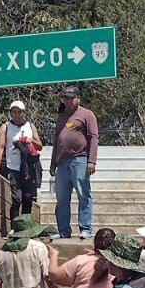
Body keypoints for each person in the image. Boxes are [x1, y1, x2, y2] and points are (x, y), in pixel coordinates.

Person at [51, 85, 98, 240]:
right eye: (65, 98)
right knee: (62, 198)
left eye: (71, 98)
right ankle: (64, 231)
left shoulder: (87, 114)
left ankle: (85, 228)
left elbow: (93, 138)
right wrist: (53, 163)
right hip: (62, 163)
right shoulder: (61, 116)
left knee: (83, 194)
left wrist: (91, 161)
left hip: (80, 159)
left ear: (78, 98)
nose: (68, 101)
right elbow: (57, 141)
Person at [0, 99, 42, 218]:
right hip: (13, 166)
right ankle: (14, 227)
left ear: (23, 113)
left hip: (29, 167)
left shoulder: (30, 126)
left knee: (28, 197)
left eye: (19, 112)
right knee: (16, 198)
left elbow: (40, 145)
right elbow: (0, 147)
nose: (16, 115)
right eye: (13, 112)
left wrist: (31, 141)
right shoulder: (5, 127)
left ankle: (25, 225)